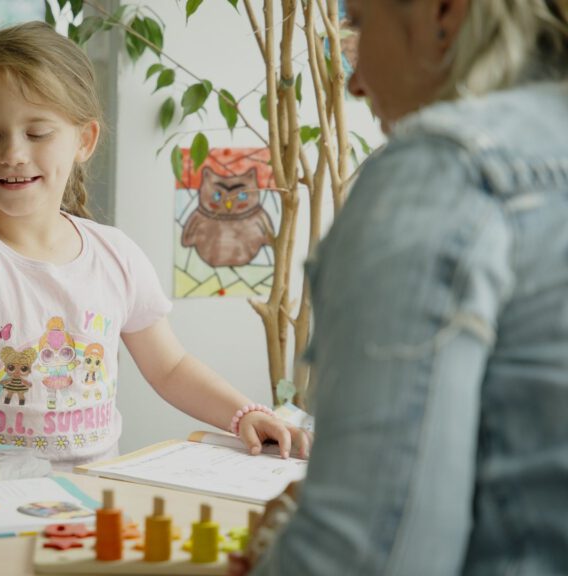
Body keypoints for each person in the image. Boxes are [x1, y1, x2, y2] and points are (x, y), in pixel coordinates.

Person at [0, 21, 311, 521]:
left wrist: (246, 412)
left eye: (37, 132)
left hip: (92, 501)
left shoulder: (115, 254)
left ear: (84, 139)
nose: (12, 153)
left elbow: (170, 367)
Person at [232, 0, 568, 574]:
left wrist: (277, 550)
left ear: (444, 12)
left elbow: (368, 557)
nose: (354, 82)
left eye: (358, 23)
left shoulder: (444, 169)